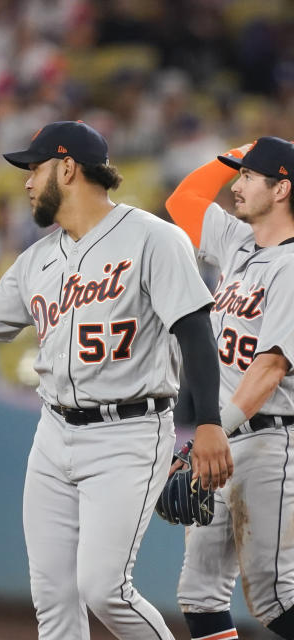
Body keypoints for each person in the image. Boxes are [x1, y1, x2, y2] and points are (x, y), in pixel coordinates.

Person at [0, 121, 234, 639]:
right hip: (53, 434)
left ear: (68, 168)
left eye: (34, 169)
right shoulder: (35, 262)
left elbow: (194, 331)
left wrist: (209, 422)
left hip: (129, 432)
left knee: (104, 588)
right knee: (53, 599)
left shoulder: (153, 238)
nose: (27, 182)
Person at [166, 137, 294, 640]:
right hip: (223, 436)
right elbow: (183, 200)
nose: (236, 185)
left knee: (275, 596)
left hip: (270, 439)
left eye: (248, 176)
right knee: (199, 593)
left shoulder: (292, 266)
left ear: (282, 187)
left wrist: (210, 433)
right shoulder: (239, 242)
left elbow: (270, 368)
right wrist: (242, 152)